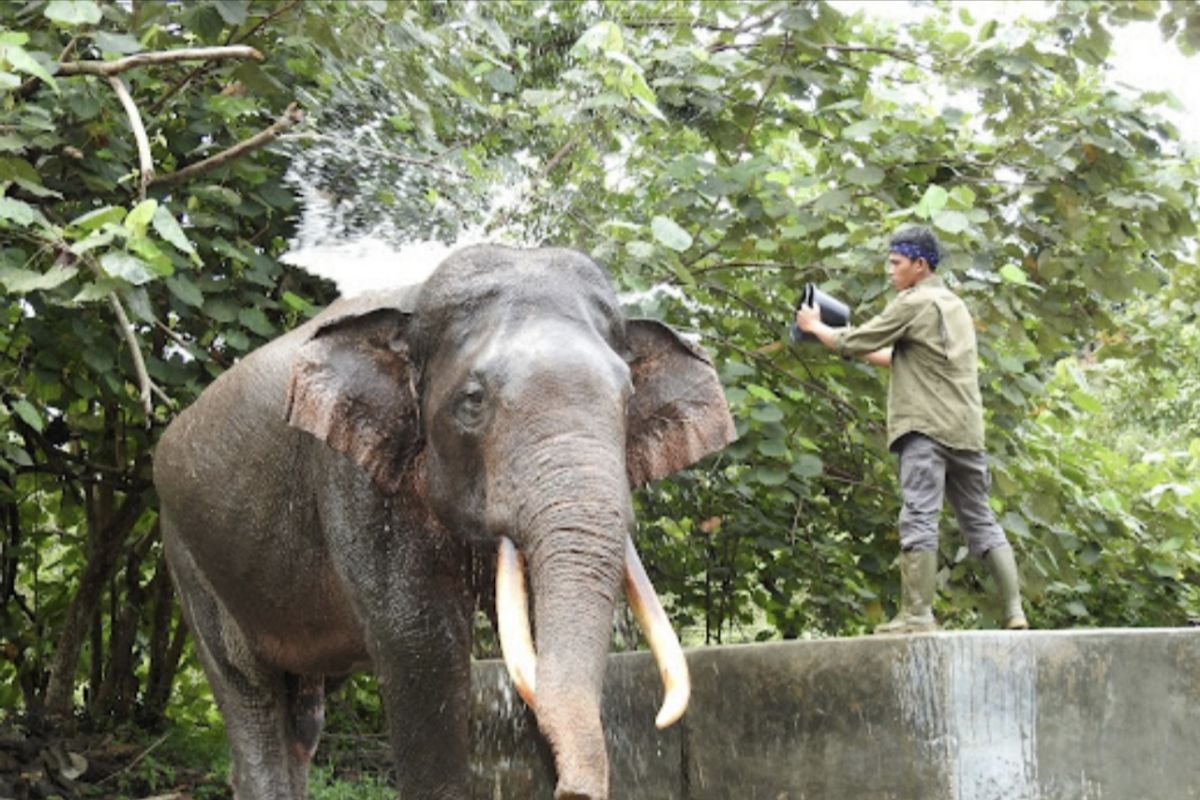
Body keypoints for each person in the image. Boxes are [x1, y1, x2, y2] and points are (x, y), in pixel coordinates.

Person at [794, 225, 1028, 633]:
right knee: (980, 519)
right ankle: (1015, 612)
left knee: (919, 515)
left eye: (896, 263)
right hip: (967, 432)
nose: (890, 271)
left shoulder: (912, 302)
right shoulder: (955, 307)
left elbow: (853, 341)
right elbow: (902, 358)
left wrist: (814, 327)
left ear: (920, 265)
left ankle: (917, 616)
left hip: (925, 429)